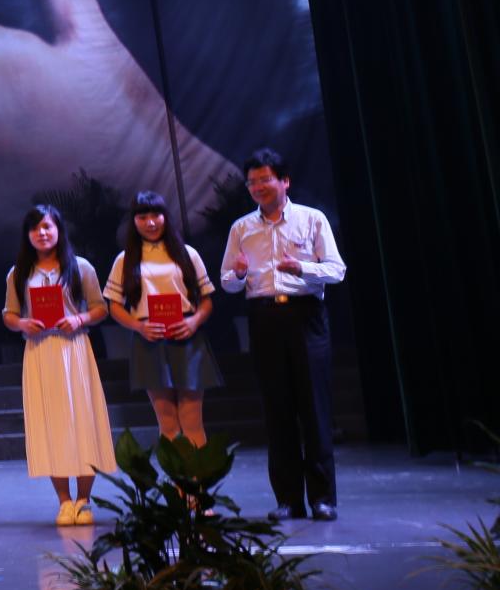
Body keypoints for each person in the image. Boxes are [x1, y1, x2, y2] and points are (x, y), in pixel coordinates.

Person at [220, 148, 346, 521]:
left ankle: (322, 498)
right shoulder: (241, 228)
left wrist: (303, 268)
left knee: (314, 409)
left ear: (284, 181)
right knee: (277, 411)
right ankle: (288, 500)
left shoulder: (311, 219)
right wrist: (238, 274)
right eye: (252, 182)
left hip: (305, 315)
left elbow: (337, 270)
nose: (258, 187)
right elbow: (227, 281)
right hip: (264, 318)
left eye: (265, 179)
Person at [3, 205, 117, 526]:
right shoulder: (18, 273)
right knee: (50, 425)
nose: (42, 233)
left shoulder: (80, 267)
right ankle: (64, 501)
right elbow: (9, 314)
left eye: (47, 227)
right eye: (35, 228)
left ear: (58, 230)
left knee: (83, 422)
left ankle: (84, 500)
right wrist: (22, 324)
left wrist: (79, 319)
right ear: (28, 235)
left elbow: (100, 308)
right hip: (40, 353)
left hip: (75, 350)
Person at [104, 191, 221, 450]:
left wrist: (194, 322)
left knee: (192, 421)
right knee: (167, 424)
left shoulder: (187, 254)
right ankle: (176, 478)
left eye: (156, 215)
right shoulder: (125, 259)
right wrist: (138, 326)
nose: (150, 222)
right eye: (142, 217)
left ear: (165, 217)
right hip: (149, 341)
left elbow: (206, 301)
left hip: (187, 338)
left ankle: (197, 477)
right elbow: (114, 306)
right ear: (134, 221)